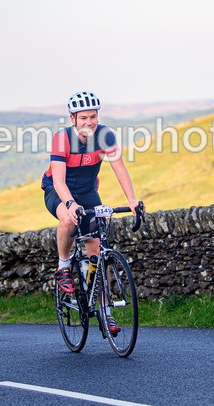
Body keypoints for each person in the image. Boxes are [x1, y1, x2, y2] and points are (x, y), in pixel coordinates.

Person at [42, 91, 142, 335]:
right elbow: (58, 181)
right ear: (73, 118)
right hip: (58, 190)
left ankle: (106, 312)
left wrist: (132, 200)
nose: (89, 122)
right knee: (68, 219)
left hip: (87, 192)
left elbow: (119, 168)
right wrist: (70, 204)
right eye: (84, 117)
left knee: (98, 249)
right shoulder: (62, 139)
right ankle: (64, 266)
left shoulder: (105, 136)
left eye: (93, 116)